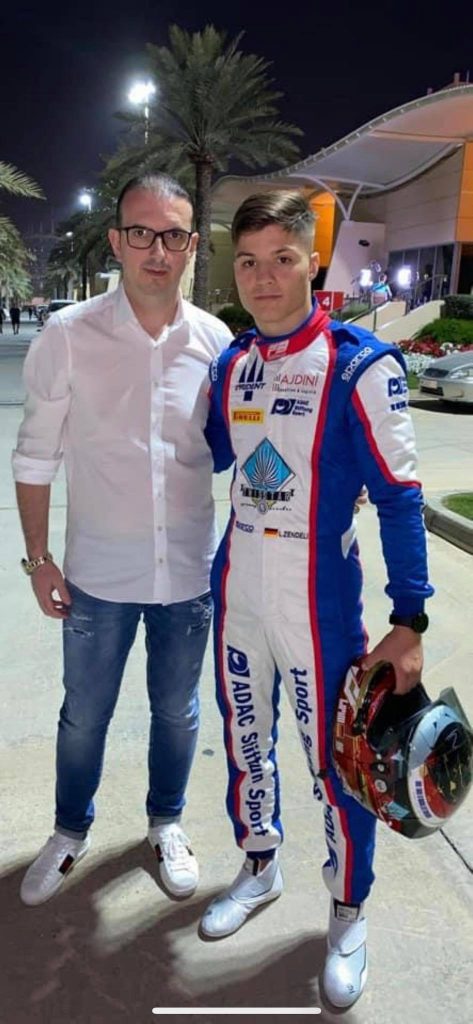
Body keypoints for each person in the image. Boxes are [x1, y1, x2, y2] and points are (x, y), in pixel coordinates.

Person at [201, 192, 433, 1009]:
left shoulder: (362, 364)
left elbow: (400, 497)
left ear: (313, 263)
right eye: (248, 261)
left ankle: (346, 911)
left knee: (339, 763)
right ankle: (259, 864)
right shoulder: (230, 364)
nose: (262, 278)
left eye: (281, 258)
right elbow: (205, 454)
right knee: (244, 740)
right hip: (238, 587)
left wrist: (409, 618)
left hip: (320, 599)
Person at [12, 173, 232, 907]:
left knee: (178, 712)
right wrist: (38, 558)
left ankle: (166, 823)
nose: (156, 251)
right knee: (84, 715)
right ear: (115, 241)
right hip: (97, 577)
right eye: (141, 233)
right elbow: (34, 455)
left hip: (187, 575)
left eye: (172, 235)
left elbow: (250, 441)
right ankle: (69, 830)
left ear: (192, 246)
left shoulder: (215, 342)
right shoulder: (69, 335)